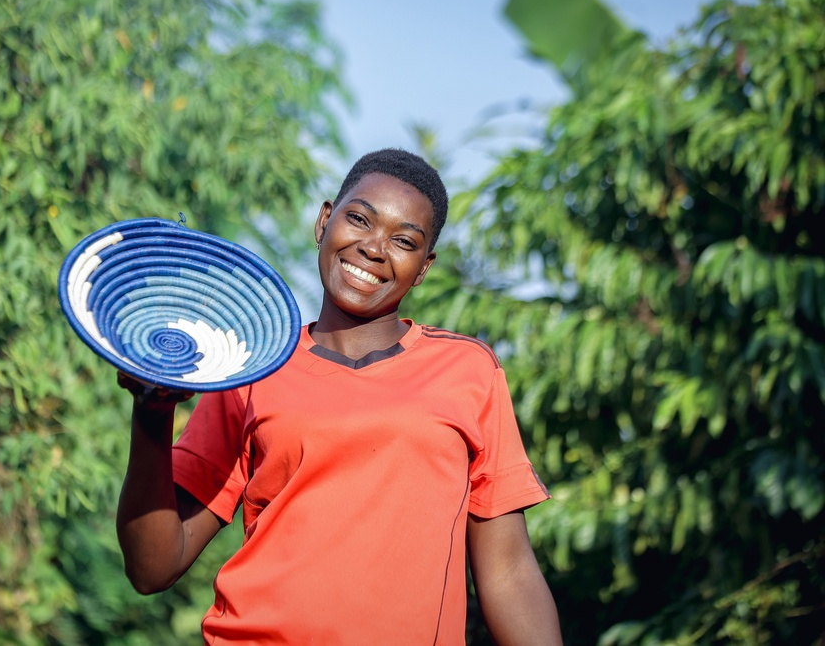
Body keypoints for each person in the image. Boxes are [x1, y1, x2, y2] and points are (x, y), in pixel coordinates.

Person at [116, 148, 562, 645]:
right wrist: (152, 410)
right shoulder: (252, 369)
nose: (374, 248)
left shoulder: (467, 370)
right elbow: (153, 567)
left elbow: (509, 573)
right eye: (359, 219)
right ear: (324, 221)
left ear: (423, 268)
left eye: (404, 241)